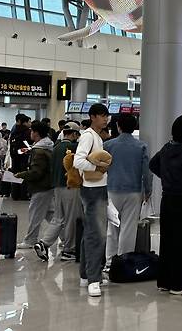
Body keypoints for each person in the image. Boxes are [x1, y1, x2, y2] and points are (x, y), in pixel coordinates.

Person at [149, 115, 182, 295]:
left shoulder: (166, 148)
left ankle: (165, 281)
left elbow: (152, 164)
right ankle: (181, 284)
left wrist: (166, 177)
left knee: (167, 241)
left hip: (167, 200)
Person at [74, 103, 112, 298]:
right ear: (92, 117)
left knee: (90, 233)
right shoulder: (89, 136)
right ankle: (93, 280)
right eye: (101, 115)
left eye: (107, 115)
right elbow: (78, 161)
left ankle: (85, 275)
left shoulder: (97, 137)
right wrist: (97, 168)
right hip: (92, 191)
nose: (105, 119)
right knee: (97, 235)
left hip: (98, 188)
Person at [104, 113, 151, 262]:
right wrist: (148, 190)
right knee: (128, 228)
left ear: (118, 127)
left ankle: (110, 260)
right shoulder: (141, 146)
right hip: (134, 191)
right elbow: (146, 171)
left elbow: (102, 168)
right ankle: (124, 260)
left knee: (112, 227)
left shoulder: (108, 145)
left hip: (112, 189)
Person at [34, 123, 82, 262]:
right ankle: (69, 250)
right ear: (73, 134)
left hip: (56, 186)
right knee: (71, 219)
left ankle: (43, 243)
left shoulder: (55, 147)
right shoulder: (73, 148)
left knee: (58, 218)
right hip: (70, 187)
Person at [15, 121, 54, 249]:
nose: (30, 133)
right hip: (48, 186)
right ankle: (67, 239)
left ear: (36, 133)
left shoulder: (38, 151)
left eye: (32, 131)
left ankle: (30, 240)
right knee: (52, 215)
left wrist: (20, 175)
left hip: (40, 187)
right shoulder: (48, 146)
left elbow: (36, 172)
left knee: (35, 215)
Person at [9, 114, 32, 200]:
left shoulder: (13, 131)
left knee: (15, 175)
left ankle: (15, 194)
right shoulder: (27, 131)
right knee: (24, 175)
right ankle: (23, 194)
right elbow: (29, 144)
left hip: (14, 156)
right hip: (24, 156)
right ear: (24, 122)